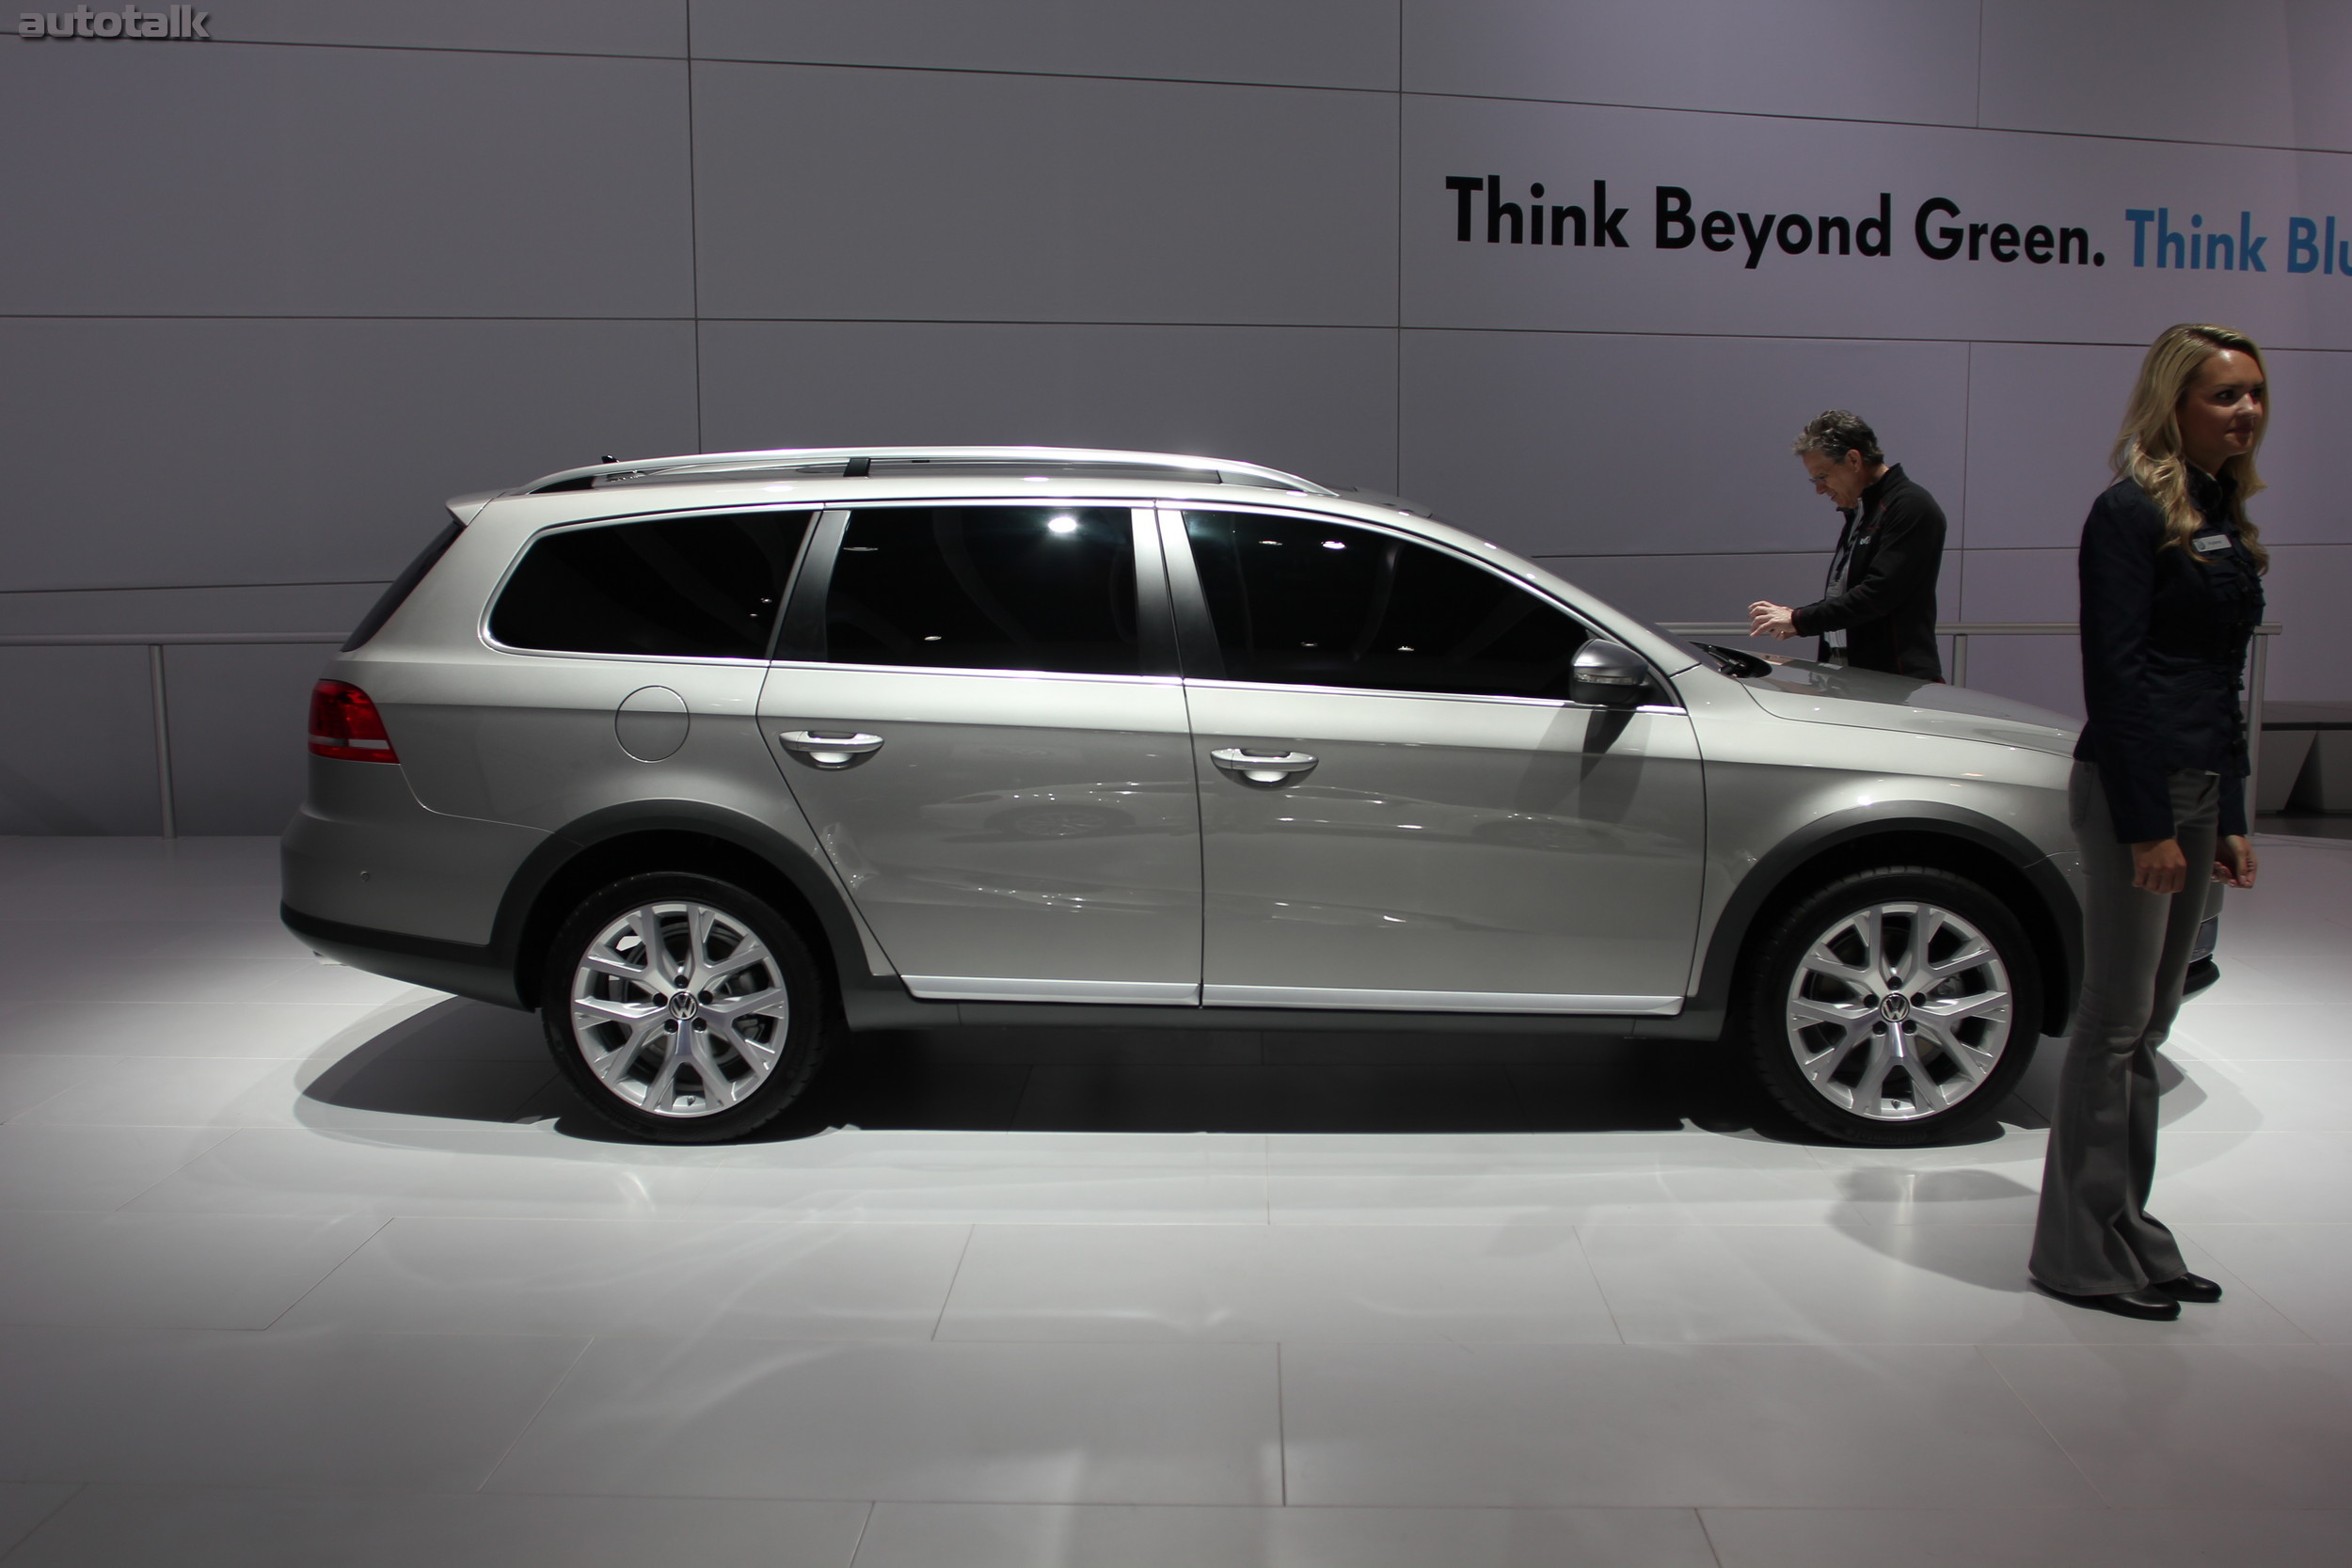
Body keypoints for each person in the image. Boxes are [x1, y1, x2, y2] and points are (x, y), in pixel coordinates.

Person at [2030, 323, 2267, 1321]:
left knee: (2155, 1022)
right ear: (2173, 402)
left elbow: (2221, 679)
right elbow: (2116, 678)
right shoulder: (2125, 514)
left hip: (2199, 789)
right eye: (2224, 395)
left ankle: (2128, 1225)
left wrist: (2236, 808)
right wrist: (2147, 824)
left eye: (2254, 392)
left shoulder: (2218, 515)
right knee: (2112, 1021)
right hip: (2138, 792)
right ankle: (2077, 1250)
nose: (2246, 410)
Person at [1748, 411, 1947, 680]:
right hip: (1849, 673)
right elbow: (1848, 593)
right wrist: (1798, 619)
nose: (1820, 489)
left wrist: (1800, 620)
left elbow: (1878, 595)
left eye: (1822, 476)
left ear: (1854, 459)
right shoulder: (1861, 510)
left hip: (1895, 681)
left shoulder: (1910, 506)